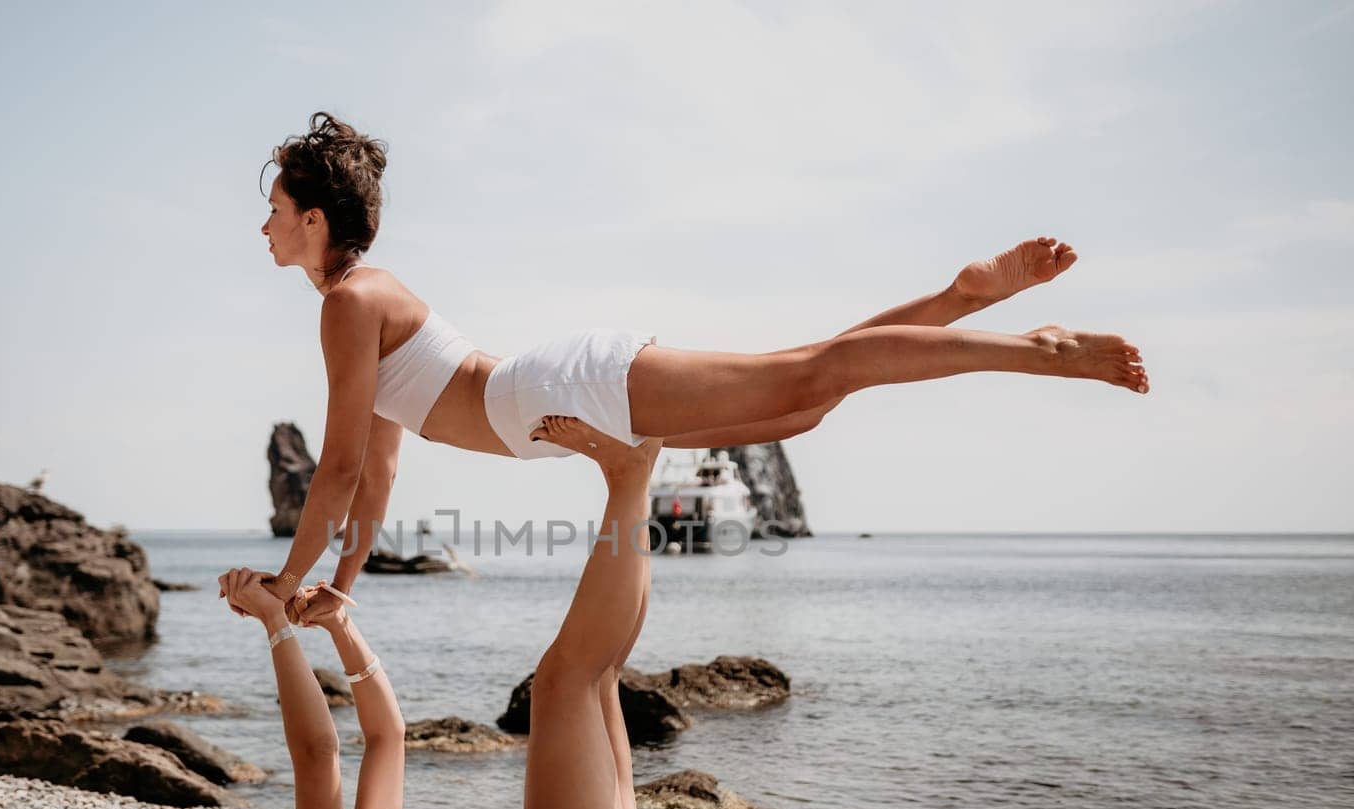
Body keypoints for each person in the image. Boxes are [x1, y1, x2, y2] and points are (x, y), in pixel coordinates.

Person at [253, 111, 1148, 604]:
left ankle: (1044, 349)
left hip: (563, 388)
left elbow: (335, 468)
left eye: (276, 208)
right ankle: (959, 300)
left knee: (809, 381)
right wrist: (336, 584)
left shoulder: (349, 304)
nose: (265, 225)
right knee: (804, 397)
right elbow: (373, 472)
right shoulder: (364, 305)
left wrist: (283, 584)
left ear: (315, 220)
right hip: (554, 401)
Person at [161, 417, 664, 809]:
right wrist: (274, 625)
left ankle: (636, 473)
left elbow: (386, 737)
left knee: (602, 674)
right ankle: (629, 479)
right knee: (562, 681)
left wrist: (339, 629)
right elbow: (317, 755)